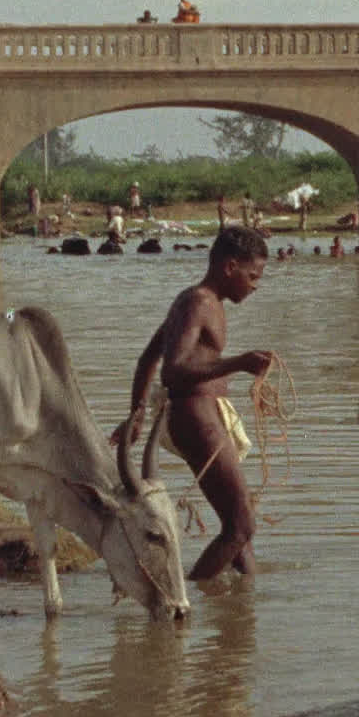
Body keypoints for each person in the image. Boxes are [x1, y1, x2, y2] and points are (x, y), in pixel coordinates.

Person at [116, 224, 274, 584]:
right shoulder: (199, 302)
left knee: (239, 524)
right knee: (240, 526)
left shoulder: (196, 301)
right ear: (230, 267)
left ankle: (243, 609)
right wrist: (239, 363)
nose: (255, 285)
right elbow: (173, 371)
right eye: (252, 276)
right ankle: (183, 599)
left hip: (205, 416)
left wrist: (137, 415)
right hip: (197, 416)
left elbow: (147, 359)